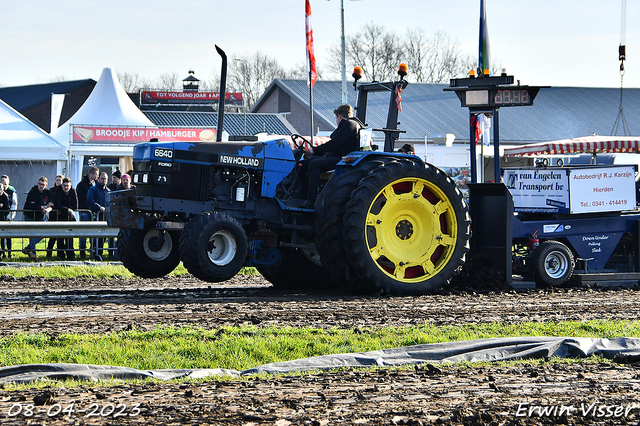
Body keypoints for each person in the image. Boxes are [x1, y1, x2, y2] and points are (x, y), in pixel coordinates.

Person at [299, 104, 363, 208]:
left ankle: (310, 200)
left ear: (339, 116)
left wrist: (314, 150)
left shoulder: (347, 124)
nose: (336, 121)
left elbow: (335, 143)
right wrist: (315, 152)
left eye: (336, 118)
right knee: (302, 164)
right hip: (336, 155)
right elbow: (334, 145)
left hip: (341, 158)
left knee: (314, 164)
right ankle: (301, 195)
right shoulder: (353, 124)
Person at [22, 176, 54, 261]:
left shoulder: (48, 192)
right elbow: (32, 206)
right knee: (32, 235)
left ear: (46, 185)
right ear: (37, 183)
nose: (41, 186)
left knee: (43, 233)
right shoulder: (32, 191)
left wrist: (47, 209)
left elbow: (51, 205)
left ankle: (29, 248)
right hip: (30, 215)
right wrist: (44, 207)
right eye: (40, 184)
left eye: (43, 184)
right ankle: (33, 256)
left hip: (40, 216)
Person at [76, 166, 98, 259]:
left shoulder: (96, 184)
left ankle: (93, 249)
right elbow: (79, 198)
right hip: (85, 211)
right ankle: (82, 250)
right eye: (96, 174)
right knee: (84, 231)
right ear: (92, 174)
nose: (97, 176)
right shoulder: (82, 185)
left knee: (94, 231)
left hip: (94, 211)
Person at [54, 177, 79, 260]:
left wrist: (66, 210)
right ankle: (61, 255)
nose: (66, 188)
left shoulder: (73, 191)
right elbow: (57, 204)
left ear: (70, 185)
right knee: (60, 237)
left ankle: (70, 255)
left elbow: (75, 205)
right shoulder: (58, 191)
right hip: (61, 217)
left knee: (70, 237)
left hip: (69, 217)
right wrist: (68, 210)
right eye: (64, 185)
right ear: (61, 185)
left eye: (67, 186)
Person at [87, 172, 110, 259]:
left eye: (105, 179)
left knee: (104, 236)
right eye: (102, 178)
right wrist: (99, 207)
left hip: (105, 216)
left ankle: (99, 252)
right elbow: (90, 200)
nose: (104, 180)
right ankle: (94, 251)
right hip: (96, 215)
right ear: (99, 179)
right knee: (96, 235)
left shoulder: (108, 191)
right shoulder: (93, 189)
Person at [45, 174, 64, 258]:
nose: (58, 182)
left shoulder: (63, 191)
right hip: (53, 215)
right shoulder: (51, 190)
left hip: (61, 215)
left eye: (60, 180)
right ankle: (49, 253)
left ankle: (60, 254)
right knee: (52, 236)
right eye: (57, 180)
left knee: (61, 237)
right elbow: (50, 201)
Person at [0, 175, 17, 258]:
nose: (4, 186)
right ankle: (3, 253)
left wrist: (10, 216)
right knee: (2, 237)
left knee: (8, 236)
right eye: (2, 183)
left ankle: (9, 252)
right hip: (1, 217)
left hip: (8, 216)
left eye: (5, 184)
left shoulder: (11, 191)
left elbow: (14, 205)